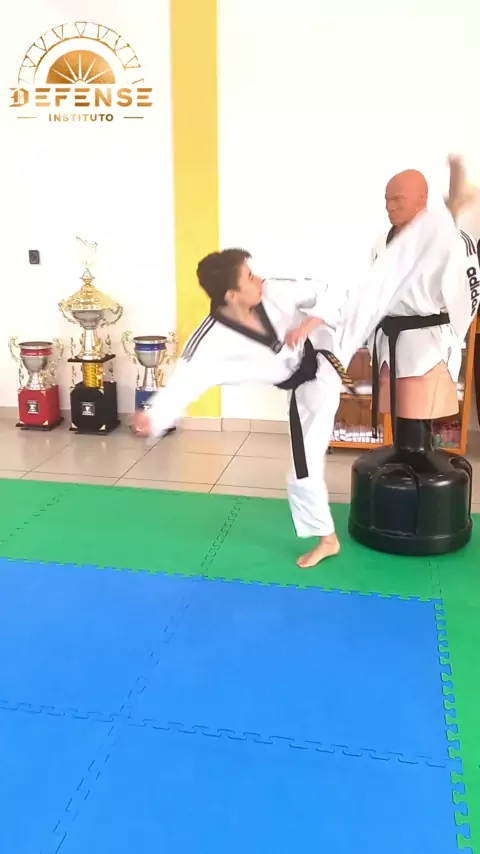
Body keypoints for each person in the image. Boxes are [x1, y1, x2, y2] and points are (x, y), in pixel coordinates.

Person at [131, 156, 476, 569]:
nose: (260, 279)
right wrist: (154, 417)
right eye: (250, 278)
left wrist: (311, 321)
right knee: (302, 467)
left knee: (378, 282)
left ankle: (448, 213)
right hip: (308, 385)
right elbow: (185, 381)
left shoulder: (274, 291)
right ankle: (326, 539)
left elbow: (327, 291)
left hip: (332, 338)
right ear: (231, 297)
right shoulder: (211, 341)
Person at [369, 161, 480, 432]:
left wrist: (454, 338)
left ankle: (416, 453)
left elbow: (468, 295)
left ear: (422, 198)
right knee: (398, 420)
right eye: (386, 200)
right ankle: (403, 453)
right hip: (387, 346)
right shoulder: (380, 243)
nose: (389, 207)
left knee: (416, 414)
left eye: (397, 199)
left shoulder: (454, 241)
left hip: (428, 352)